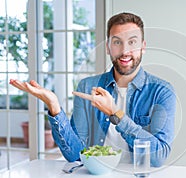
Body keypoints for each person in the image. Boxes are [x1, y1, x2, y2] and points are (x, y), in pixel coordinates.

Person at [9, 12, 176, 167]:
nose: (125, 51)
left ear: (143, 47)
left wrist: (115, 113)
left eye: (132, 42)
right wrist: (54, 107)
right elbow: (75, 154)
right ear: (108, 47)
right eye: (117, 42)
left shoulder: (161, 91)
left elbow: (158, 157)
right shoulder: (87, 87)